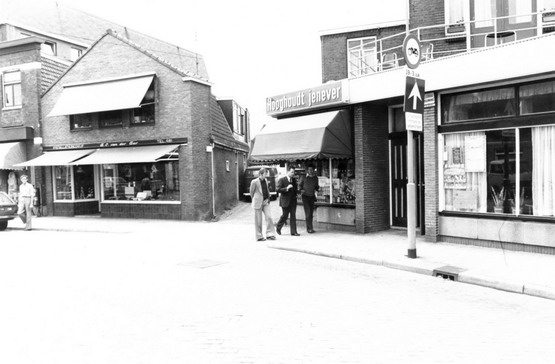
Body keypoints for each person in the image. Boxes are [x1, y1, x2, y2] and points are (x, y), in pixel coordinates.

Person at [249, 167, 276, 242]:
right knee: (258, 220)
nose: (266, 175)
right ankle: (259, 236)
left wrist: (268, 198)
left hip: (265, 201)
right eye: (265, 173)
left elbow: (266, 190)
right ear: (261, 174)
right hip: (258, 202)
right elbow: (252, 192)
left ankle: (270, 234)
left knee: (269, 217)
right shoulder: (254, 182)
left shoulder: (266, 180)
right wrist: (255, 200)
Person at [276, 166, 300, 236]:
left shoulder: (294, 180)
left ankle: (293, 232)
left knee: (293, 216)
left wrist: (297, 192)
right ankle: (278, 227)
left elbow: (295, 189)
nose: (293, 174)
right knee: (285, 216)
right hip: (285, 201)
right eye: (292, 172)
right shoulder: (282, 180)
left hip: (293, 200)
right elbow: (278, 189)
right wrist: (286, 188)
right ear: (288, 172)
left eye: (294, 172)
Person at [299, 164, 319, 233]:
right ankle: (309, 229)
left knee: (311, 213)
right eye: (309, 170)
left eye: (312, 170)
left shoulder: (315, 178)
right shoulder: (304, 177)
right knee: (308, 213)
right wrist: (301, 190)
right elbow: (299, 186)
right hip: (305, 197)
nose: (310, 171)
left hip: (312, 196)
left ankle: (310, 228)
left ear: (314, 170)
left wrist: (320, 189)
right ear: (307, 170)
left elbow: (316, 187)